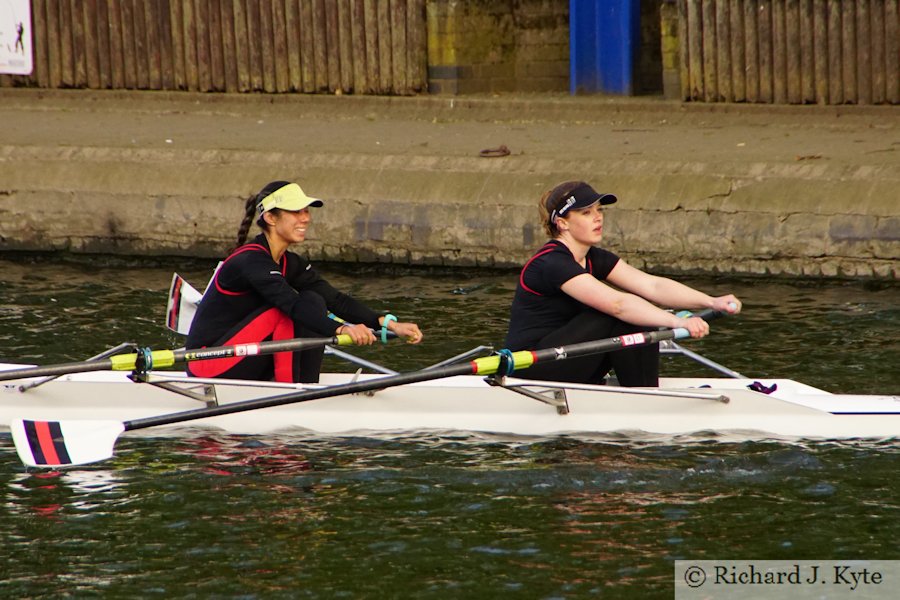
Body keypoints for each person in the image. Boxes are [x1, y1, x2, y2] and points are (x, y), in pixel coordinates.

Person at [504, 180, 741, 387]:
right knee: (618, 314)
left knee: (637, 313)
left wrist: (712, 301)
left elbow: (653, 286)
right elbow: (617, 304)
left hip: (569, 359)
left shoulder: (595, 258)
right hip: (532, 367)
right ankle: (644, 398)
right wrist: (677, 321)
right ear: (563, 223)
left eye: (599, 210)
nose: (598, 218)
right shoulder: (551, 262)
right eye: (586, 213)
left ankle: (644, 395)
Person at [186, 180, 423, 383]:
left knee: (314, 299)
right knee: (288, 310)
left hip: (243, 355)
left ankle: (307, 386)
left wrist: (389, 325)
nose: (305, 218)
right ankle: (294, 392)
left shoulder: (291, 262)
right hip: (208, 363)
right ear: (270, 217)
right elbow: (292, 305)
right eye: (295, 212)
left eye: (306, 211)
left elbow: (336, 300)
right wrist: (342, 329)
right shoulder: (251, 261)